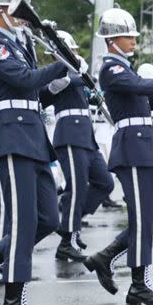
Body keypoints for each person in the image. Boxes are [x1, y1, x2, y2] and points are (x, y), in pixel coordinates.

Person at [83, 8, 153, 305]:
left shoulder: (126, 68)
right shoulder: (110, 68)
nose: (133, 40)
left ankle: (107, 255)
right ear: (112, 40)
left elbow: (145, 101)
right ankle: (140, 284)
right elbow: (137, 87)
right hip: (133, 148)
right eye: (128, 36)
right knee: (143, 218)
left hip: (147, 147)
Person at [0, 0, 68, 305]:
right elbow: (22, 79)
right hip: (10, 137)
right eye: (18, 10)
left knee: (48, 218)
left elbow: (35, 91)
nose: (23, 18)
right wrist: (60, 64)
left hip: (32, 136)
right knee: (21, 221)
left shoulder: (20, 43)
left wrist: (59, 79)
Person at [40, 31, 115, 263]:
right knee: (77, 187)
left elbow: (90, 96)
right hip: (70, 135)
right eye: (69, 51)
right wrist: (75, 77)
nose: (74, 54)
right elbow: (44, 94)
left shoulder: (78, 75)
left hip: (86, 137)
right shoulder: (57, 75)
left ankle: (69, 224)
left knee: (105, 183)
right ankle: (67, 242)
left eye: (73, 51)